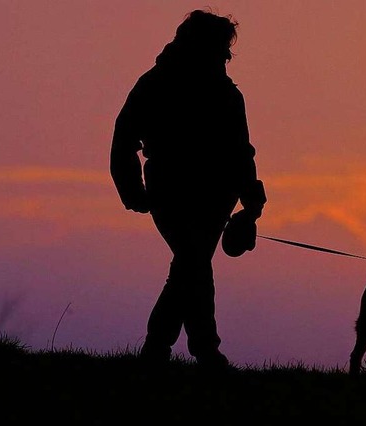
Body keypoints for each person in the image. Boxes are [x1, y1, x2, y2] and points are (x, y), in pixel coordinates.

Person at [110, 9, 266, 371]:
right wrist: (131, 187)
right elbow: (124, 139)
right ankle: (195, 350)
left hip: (213, 194)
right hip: (172, 189)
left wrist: (251, 200)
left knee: (191, 266)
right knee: (193, 264)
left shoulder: (222, 93)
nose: (224, 56)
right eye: (221, 49)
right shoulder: (157, 83)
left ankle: (175, 350)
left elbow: (240, 150)